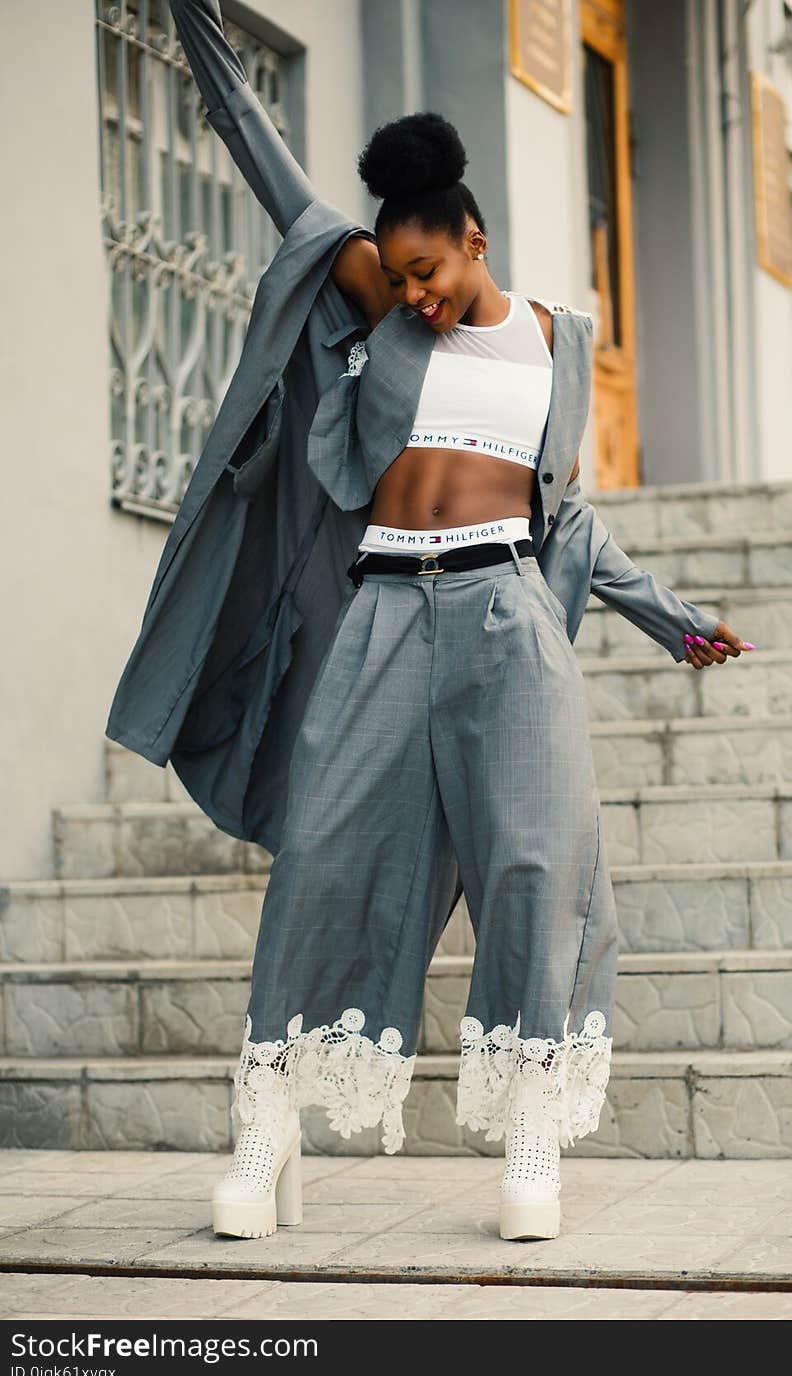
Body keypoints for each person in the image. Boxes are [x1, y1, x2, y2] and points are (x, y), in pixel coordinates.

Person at [150, 1, 753, 1245]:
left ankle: (530, 1139)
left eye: (430, 269)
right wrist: (198, 33)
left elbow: (566, 522)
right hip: (380, 611)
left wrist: (672, 620)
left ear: (474, 239)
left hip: (505, 617)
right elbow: (270, 163)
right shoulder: (377, 295)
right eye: (400, 274)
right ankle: (264, 1134)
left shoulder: (555, 346)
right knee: (319, 862)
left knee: (534, 863)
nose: (415, 294)